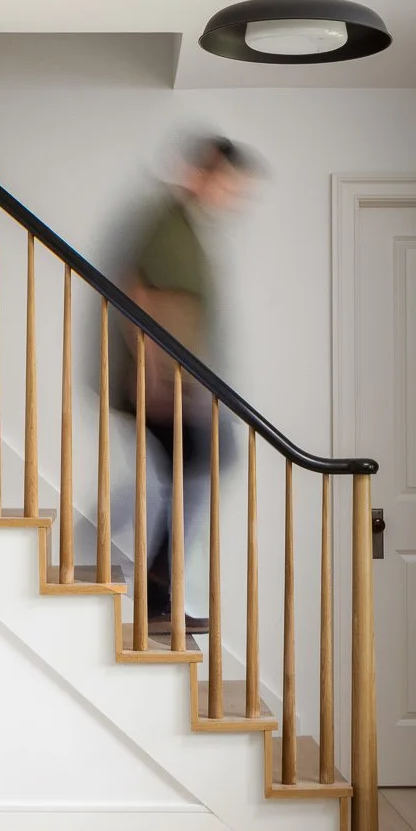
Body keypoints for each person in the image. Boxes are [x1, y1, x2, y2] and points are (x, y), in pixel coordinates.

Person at [107, 134, 258, 630]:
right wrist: (155, 379)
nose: (232, 197)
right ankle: (154, 586)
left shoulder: (184, 226)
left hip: (178, 379)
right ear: (206, 172)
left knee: (200, 465)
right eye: (229, 184)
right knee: (205, 461)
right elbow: (142, 298)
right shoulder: (169, 223)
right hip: (162, 381)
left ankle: (156, 585)